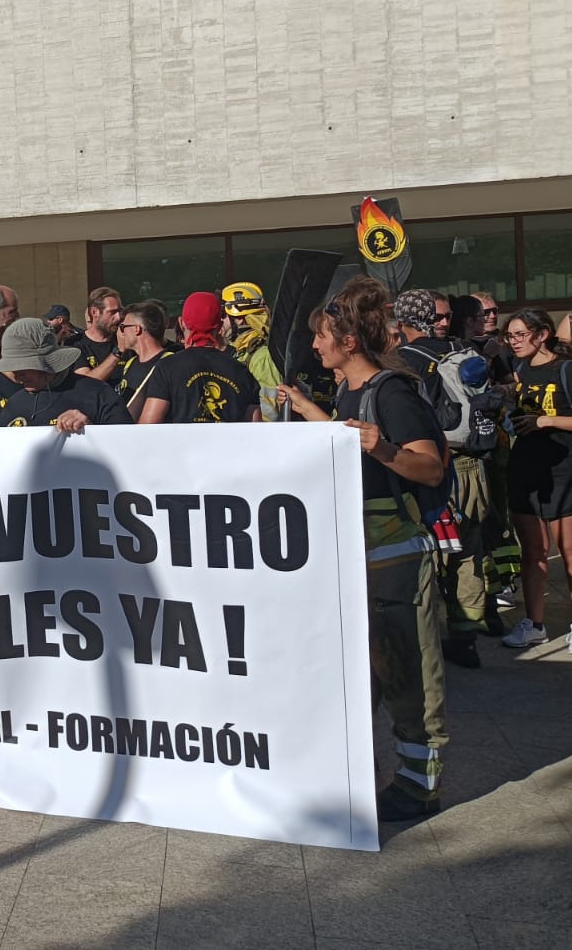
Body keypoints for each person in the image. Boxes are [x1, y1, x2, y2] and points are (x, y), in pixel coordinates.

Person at [276, 275, 449, 821]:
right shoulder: (350, 391)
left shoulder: (392, 391)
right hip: (356, 558)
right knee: (367, 672)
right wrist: (307, 409)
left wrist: (383, 447)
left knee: (408, 674)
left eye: (322, 336)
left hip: (394, 556)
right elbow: (348, 442)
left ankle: (419, 786)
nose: (314, 345)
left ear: (349, 342)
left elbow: (428, 466)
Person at [500, 309, 572, 655]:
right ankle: (534, 624)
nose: (513, 342)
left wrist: (549, 420)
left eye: (520, 334)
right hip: (526, 469)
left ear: (542, 334)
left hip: (565, 468)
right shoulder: (519, 370)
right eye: (510, 336)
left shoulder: (568, 369)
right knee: (532, 552)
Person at [394, 289, 490, 669]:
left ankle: (428, 640)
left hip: (434, 469)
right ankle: (467, 636)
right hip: (474, 467)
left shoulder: (404, 361)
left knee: (430, 557)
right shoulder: (465, 351)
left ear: (402, 321)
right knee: (468, 554)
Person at [0, 318, 128, 431]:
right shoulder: (13, 404)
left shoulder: (98, 395)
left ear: (46, 362)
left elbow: (128, 447)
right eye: (12, 368)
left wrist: (90, 431)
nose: (16, 375)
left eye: (23, 367)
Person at [138, 292, 261, 424]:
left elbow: (148, 427)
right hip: (225, 444)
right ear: (219, 327)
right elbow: (254, 429)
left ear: (181, 322)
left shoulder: (167, 368)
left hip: (182, 444)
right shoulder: (241, 371)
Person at [220, 282, 282, 418]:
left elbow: (270, 413)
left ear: (239, 319)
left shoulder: (262, 357)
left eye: (223, 314)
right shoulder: (242, 352)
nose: (220, 320)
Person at [114, 301, 173, 420]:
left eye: (123, 327)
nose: (121, 333)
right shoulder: (130, 363)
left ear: (137, 329)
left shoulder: (169, 363)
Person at [71, 288, 125, 383]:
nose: (118, 317)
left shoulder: (124, 339)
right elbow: (86, 383)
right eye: (112, 312)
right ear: (94, 312)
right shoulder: (76, 344)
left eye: (120, 311)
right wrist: (118, 352)